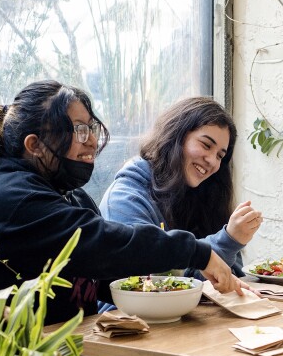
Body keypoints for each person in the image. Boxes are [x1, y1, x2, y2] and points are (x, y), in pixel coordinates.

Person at [0, 81, 247, 356]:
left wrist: (192, 292)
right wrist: (197, 252)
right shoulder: (12, 198)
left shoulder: (70, 196)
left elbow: (114, 277)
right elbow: (105, 244)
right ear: (34, 145)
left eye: (92, 128)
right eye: (79, 130)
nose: (92, 141)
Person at [99, 97, 261, 290]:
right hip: (123, 318)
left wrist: (231, 244)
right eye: (206, 145)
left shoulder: (204, 196)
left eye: (220, 155)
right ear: (176, 136)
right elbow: (151, 284)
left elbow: (231, 279)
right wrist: (228, 241)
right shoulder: (125, 197)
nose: (212, 161)